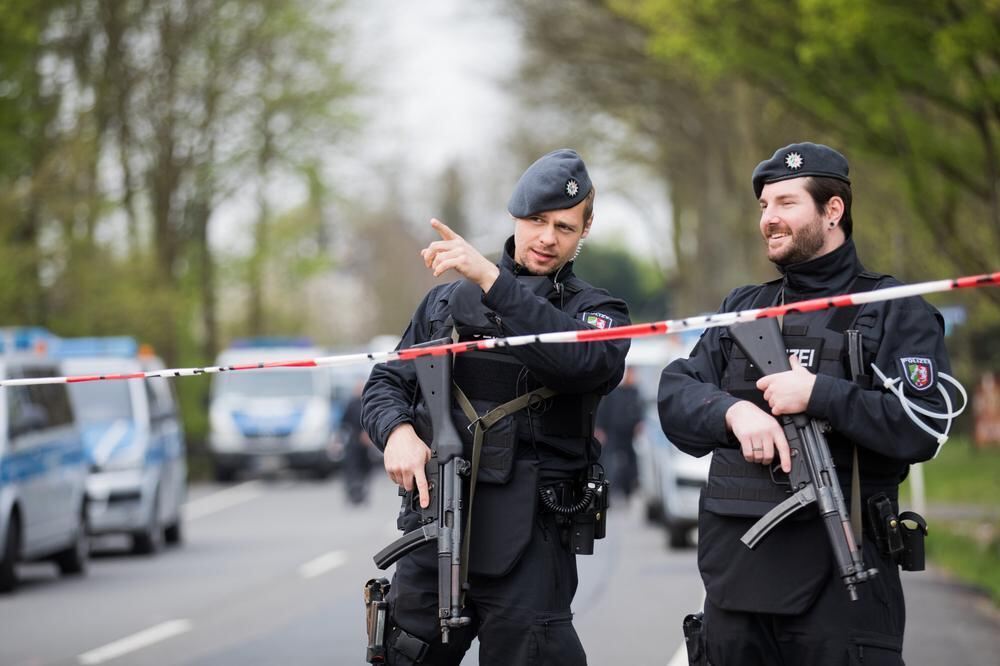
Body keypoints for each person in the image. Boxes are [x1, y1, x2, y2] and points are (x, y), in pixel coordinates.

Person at [657, 142, 953, 665]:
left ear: (832, 210)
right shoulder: (743, 309)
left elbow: (922, 428)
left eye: (786, 203)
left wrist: (822, 393)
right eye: (764, 206)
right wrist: (734, 412)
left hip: (845, 590)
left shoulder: (892, 310)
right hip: (738, 590)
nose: (769, 218)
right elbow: (677, 394)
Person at [361, 148, 630, 665]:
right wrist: (395, 431)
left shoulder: (596, 311)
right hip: (436, 525)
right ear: (515, 216)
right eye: (535, 221)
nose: (547, 237)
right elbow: (386, 382)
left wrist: (492, 282)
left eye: (564, 227)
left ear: (584, 231)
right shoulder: (444, 304)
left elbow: (583, 361)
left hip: (532, 541)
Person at [596, 366, 643, 499]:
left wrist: (639, 423)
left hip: (628, 434)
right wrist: (600, 428)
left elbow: (639, 411)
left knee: (631, 463)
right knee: (608, 462)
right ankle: (605, 491)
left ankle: (628, 490)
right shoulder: (614, 392)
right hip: (613, 432)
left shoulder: (635, 392)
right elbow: (604, 411)